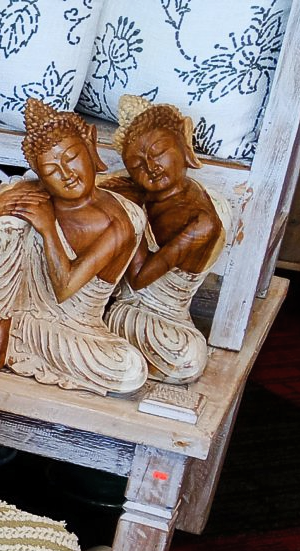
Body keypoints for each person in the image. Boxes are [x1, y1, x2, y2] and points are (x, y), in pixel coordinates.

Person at [0, 98, 148, 396]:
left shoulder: (121, 220)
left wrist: (48, 228)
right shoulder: (29, 199)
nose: (67, 173)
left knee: (129, 367)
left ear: (90, 146)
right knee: (11, 219)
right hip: (8, 315)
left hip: (75, 329)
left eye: (72, 157)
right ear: (40, 175)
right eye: (51, 169)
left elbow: (64, 288)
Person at [102, 96, 227, 384]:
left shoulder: (201, 220)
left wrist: (131, 213)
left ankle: (103, 325)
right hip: (125, 305)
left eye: (158, 152)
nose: (151, 167)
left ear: (183, 145)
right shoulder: (140, 192)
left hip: (154, 315)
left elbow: (139, 278)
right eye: (136, 164)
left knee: (186, 359)